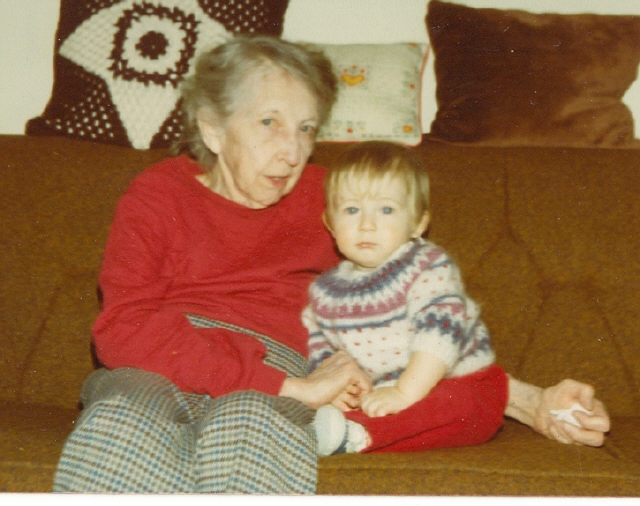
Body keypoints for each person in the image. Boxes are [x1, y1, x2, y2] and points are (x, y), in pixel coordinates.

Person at [53, 36, 610, 494]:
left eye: (305, 128)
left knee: (251, 424)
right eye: (269, 123)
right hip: (162, 364)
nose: (293, 151)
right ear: (213, 129)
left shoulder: (335, 197)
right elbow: (122, 328)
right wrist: (289, 389)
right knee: (123, 417)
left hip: (279, 373)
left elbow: (419, 315)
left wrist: (532, 402)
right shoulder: (158, 194)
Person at [304, 141, 504, 455]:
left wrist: (404, 393)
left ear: (418, 224)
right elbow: (323, 351)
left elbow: (440, 335)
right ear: (330, 222)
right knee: (352, 408)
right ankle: (341, 431)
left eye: (386, 210)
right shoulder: (324, 294)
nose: (367, 224)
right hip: (384, 396)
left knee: (462, 403)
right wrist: (337, 389)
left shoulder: (427, 266)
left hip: (457, 380)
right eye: (352, 210)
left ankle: (355, 436)